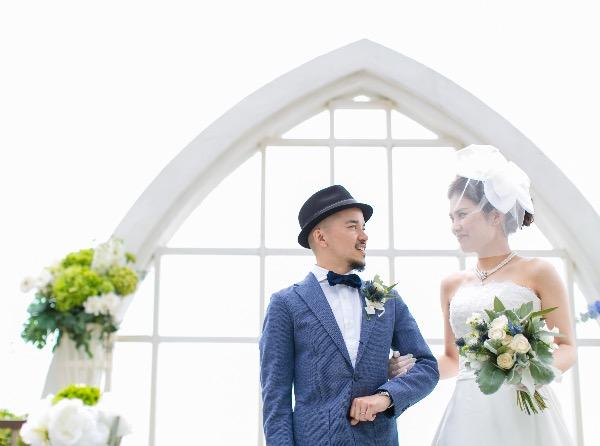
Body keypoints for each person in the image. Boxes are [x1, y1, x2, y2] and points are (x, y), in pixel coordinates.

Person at [389, 144, 576, 445]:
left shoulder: (539, 271)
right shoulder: (451, 284)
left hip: (524, 406)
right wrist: (413, 369)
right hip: (469, 411)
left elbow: (567, 347)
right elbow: (453, 360)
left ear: (496, 215)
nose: (455, 226)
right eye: (451, 217)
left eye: (462, 215)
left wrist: (531, 372)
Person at [259, 185, 439, 446]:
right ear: (321, 238)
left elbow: (427, 367)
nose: (364, 236)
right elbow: (276, 400)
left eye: (364, 227)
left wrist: (385, 397)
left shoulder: (387, 299)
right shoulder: (286, 304)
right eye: (353, 227)